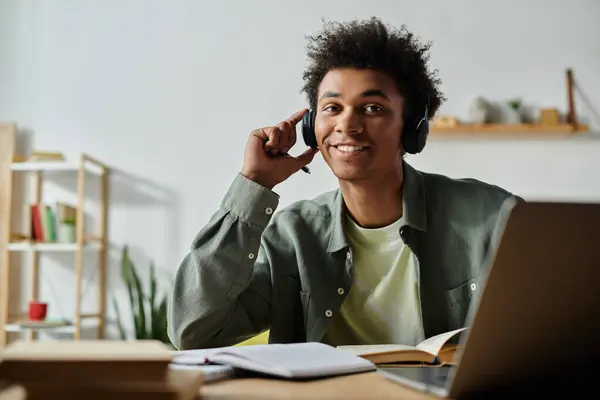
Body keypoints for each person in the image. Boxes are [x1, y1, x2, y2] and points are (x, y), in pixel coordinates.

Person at [167, 17, 521, 350]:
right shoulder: (294, 236)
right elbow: (192, 331)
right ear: (310, 127)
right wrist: (253, 183)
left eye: (372, 108)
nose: (347, 125)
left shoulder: (493, 216)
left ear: (411, 128)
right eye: (332, 108)